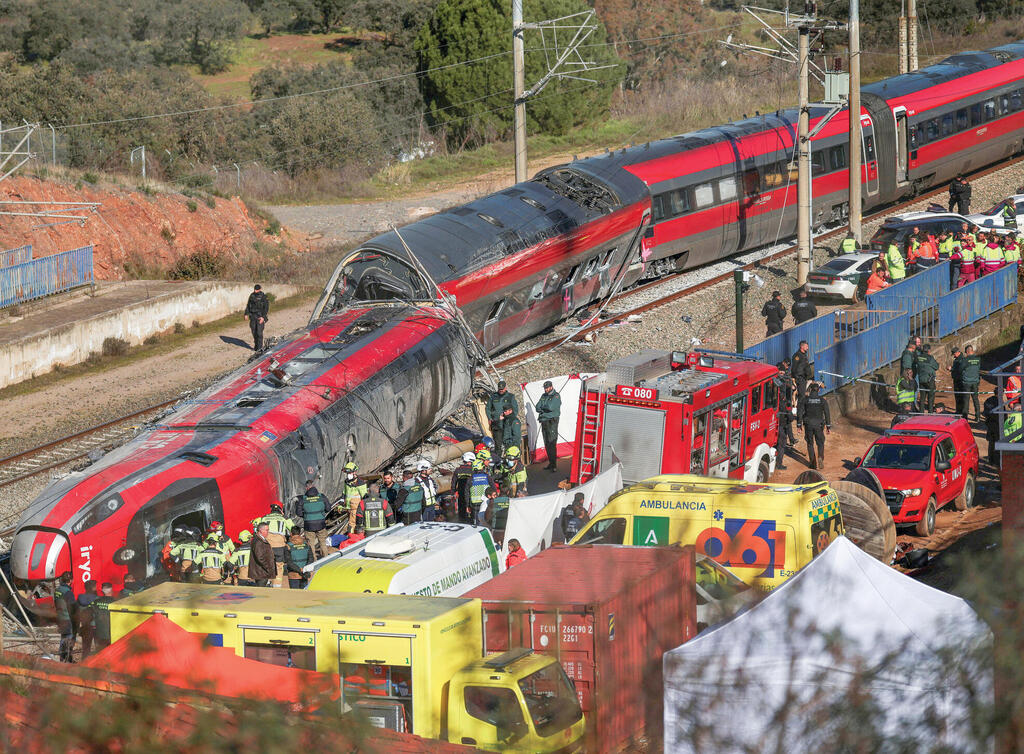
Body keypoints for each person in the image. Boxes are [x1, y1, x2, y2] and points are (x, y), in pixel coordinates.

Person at [252, 503, 294, 589]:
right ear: (280, 510)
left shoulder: (264, 518)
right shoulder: (284, 518)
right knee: (278, 566)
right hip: (279, 546)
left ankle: (266, 582)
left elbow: (255, 528)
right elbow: (293, 529)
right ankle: (277, 586)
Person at [797, 383, 831, 470]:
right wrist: (828, 426)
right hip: (819, 425)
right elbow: (827, 413)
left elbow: (800, 412)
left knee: (810, 443)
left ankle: (813, 463)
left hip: (808, 424)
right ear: (818, 390)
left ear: (810, 390)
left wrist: (799, 425)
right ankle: (820, 457)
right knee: (820, 443)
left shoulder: (805, 400)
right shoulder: (822, 400)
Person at [486, 381, 518, 456]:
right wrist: (489, 418)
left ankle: (509, 458)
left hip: (507, 424)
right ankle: (498, 459)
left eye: (502, 389)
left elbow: (515, 410)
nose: (501, 390)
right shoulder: (493, 397)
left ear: (505, 388)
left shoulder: (510, 396)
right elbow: (488, 408)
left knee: (508, 443)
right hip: (496, 424)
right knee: (498, 444)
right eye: (500, 389)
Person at [300, 479, 330, 559]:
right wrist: (321, 513)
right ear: (313, 486)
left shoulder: (303, 499)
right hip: (321, 524)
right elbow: (328, 508)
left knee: (311, 544)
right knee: (322, 542)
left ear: (306, 488)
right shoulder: (321, 496)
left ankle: (313, 560)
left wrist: (306, 516)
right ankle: (326, 558)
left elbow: (298, 512)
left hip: (309, 525)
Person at [536, 380, 562, 470]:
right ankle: (551, 463)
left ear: (551, 387)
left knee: (552, 442)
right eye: (545, 388)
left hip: (552, 421)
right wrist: (545, 408)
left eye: (547, 388)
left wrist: (543, 408)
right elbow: (537, 407)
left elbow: (551, 407)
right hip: (544, 421)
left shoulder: (556, 396)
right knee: (546, 442)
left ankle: (554, 465)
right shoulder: (543, 396)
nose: (546, 389)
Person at [341, 462, 369, 534]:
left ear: (354, 472)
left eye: (349, 473)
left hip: (356, 508)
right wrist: (341, 504)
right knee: (351, 523)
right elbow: (344, 492)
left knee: (352, 524)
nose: (348, 474)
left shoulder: (360, 483)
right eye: (347, 473)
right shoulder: (347, 482)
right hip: (349, 507)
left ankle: (352, 537)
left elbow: (364, 497)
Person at [55, 571, 77, 663]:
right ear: (71, 580)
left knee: (63, 638)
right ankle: (67, 660)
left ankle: (62, 659)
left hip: (60, 618)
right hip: (67, 619)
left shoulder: (57, 590)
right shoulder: (68, 593)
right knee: (69, 640)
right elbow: (73, 608)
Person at [75, 580, 99, 660]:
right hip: (96, 626)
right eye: (95, 587)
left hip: (85, 626)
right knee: (99, 649)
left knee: (85, 649)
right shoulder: (97, 599)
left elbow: (76, 612)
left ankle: (84, 664)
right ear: (93, 588)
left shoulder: (80, 598)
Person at [243, 284, 269, 351]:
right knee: (254, 332)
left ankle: (260, 348)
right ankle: (256, 346)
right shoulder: (252, 295)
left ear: (260, 289)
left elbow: (266, 308)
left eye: (257, 289)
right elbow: (248, 305)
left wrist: (263, 317)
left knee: (259, 333)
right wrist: (246, 314)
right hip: (253, 316)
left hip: (260, 316)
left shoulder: (263, 296)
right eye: (255, 289)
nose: (255, 291)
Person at [249, 523, 276, 587]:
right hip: (261, 572)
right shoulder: (258, 541)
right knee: (261, 589)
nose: (268, 532)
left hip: (262, 572)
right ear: (261, 530)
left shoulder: (261, 540)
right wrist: (268, 568)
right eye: (267, 530)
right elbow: (260, 557)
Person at [453, 452, 476, 523]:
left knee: (462, 511)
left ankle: (462, 522)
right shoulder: (473, 470)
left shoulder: (458, 470)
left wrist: (454, 492)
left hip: (461, 493)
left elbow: (453, 483)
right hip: (471, 494)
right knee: (472, 510)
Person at [916, 345, 939, 413]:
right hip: (929, 380)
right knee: (930, 397)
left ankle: (921, 412)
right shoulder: (930, 358)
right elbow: (936, 367)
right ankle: (930, 412)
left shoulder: (918, 357)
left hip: (921, 379)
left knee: (922, 397)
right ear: (929, 350)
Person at [93, 583, 115, 650]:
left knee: (99, 651)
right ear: (111, 590)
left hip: (98, 631)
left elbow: (92, 614)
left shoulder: (96, 601)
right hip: (111, 632)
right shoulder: (116, 602)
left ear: (102, 590)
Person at [962, 344, 982, 422]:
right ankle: (978, 417)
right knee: (976, 399)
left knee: (966, 400)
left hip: (967, 382)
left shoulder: (965, 360)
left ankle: (965, 417)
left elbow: (960, 369)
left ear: (967, 352)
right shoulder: (978, 359)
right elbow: (978, 369)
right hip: (975, 382)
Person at [775, 395, 795, 470]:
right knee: (781, 447)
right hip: (782, 428)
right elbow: (791, 418)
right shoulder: (785, 405)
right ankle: (778, 465)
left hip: (774, 427)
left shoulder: (774, 403)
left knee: (776, 446)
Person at [983, 394, 1000, 465]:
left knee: (991, 444)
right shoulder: (999, 401)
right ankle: (996, 461)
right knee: (997, 444)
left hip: (990, 425)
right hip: (997, 426)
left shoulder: (988, 400)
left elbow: (985, 413)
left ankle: (991, 460)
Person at [950, 346, 967, 418]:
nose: (954, 356)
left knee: (961, 397)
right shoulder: (957, 359)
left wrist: (951, 369)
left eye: (954, 354)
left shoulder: (962, 359)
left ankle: (962, 412)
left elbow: (959, 370)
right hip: (956, 380)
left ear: (958, 352)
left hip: (960, 380)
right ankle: (958, 411)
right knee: (957, 396)